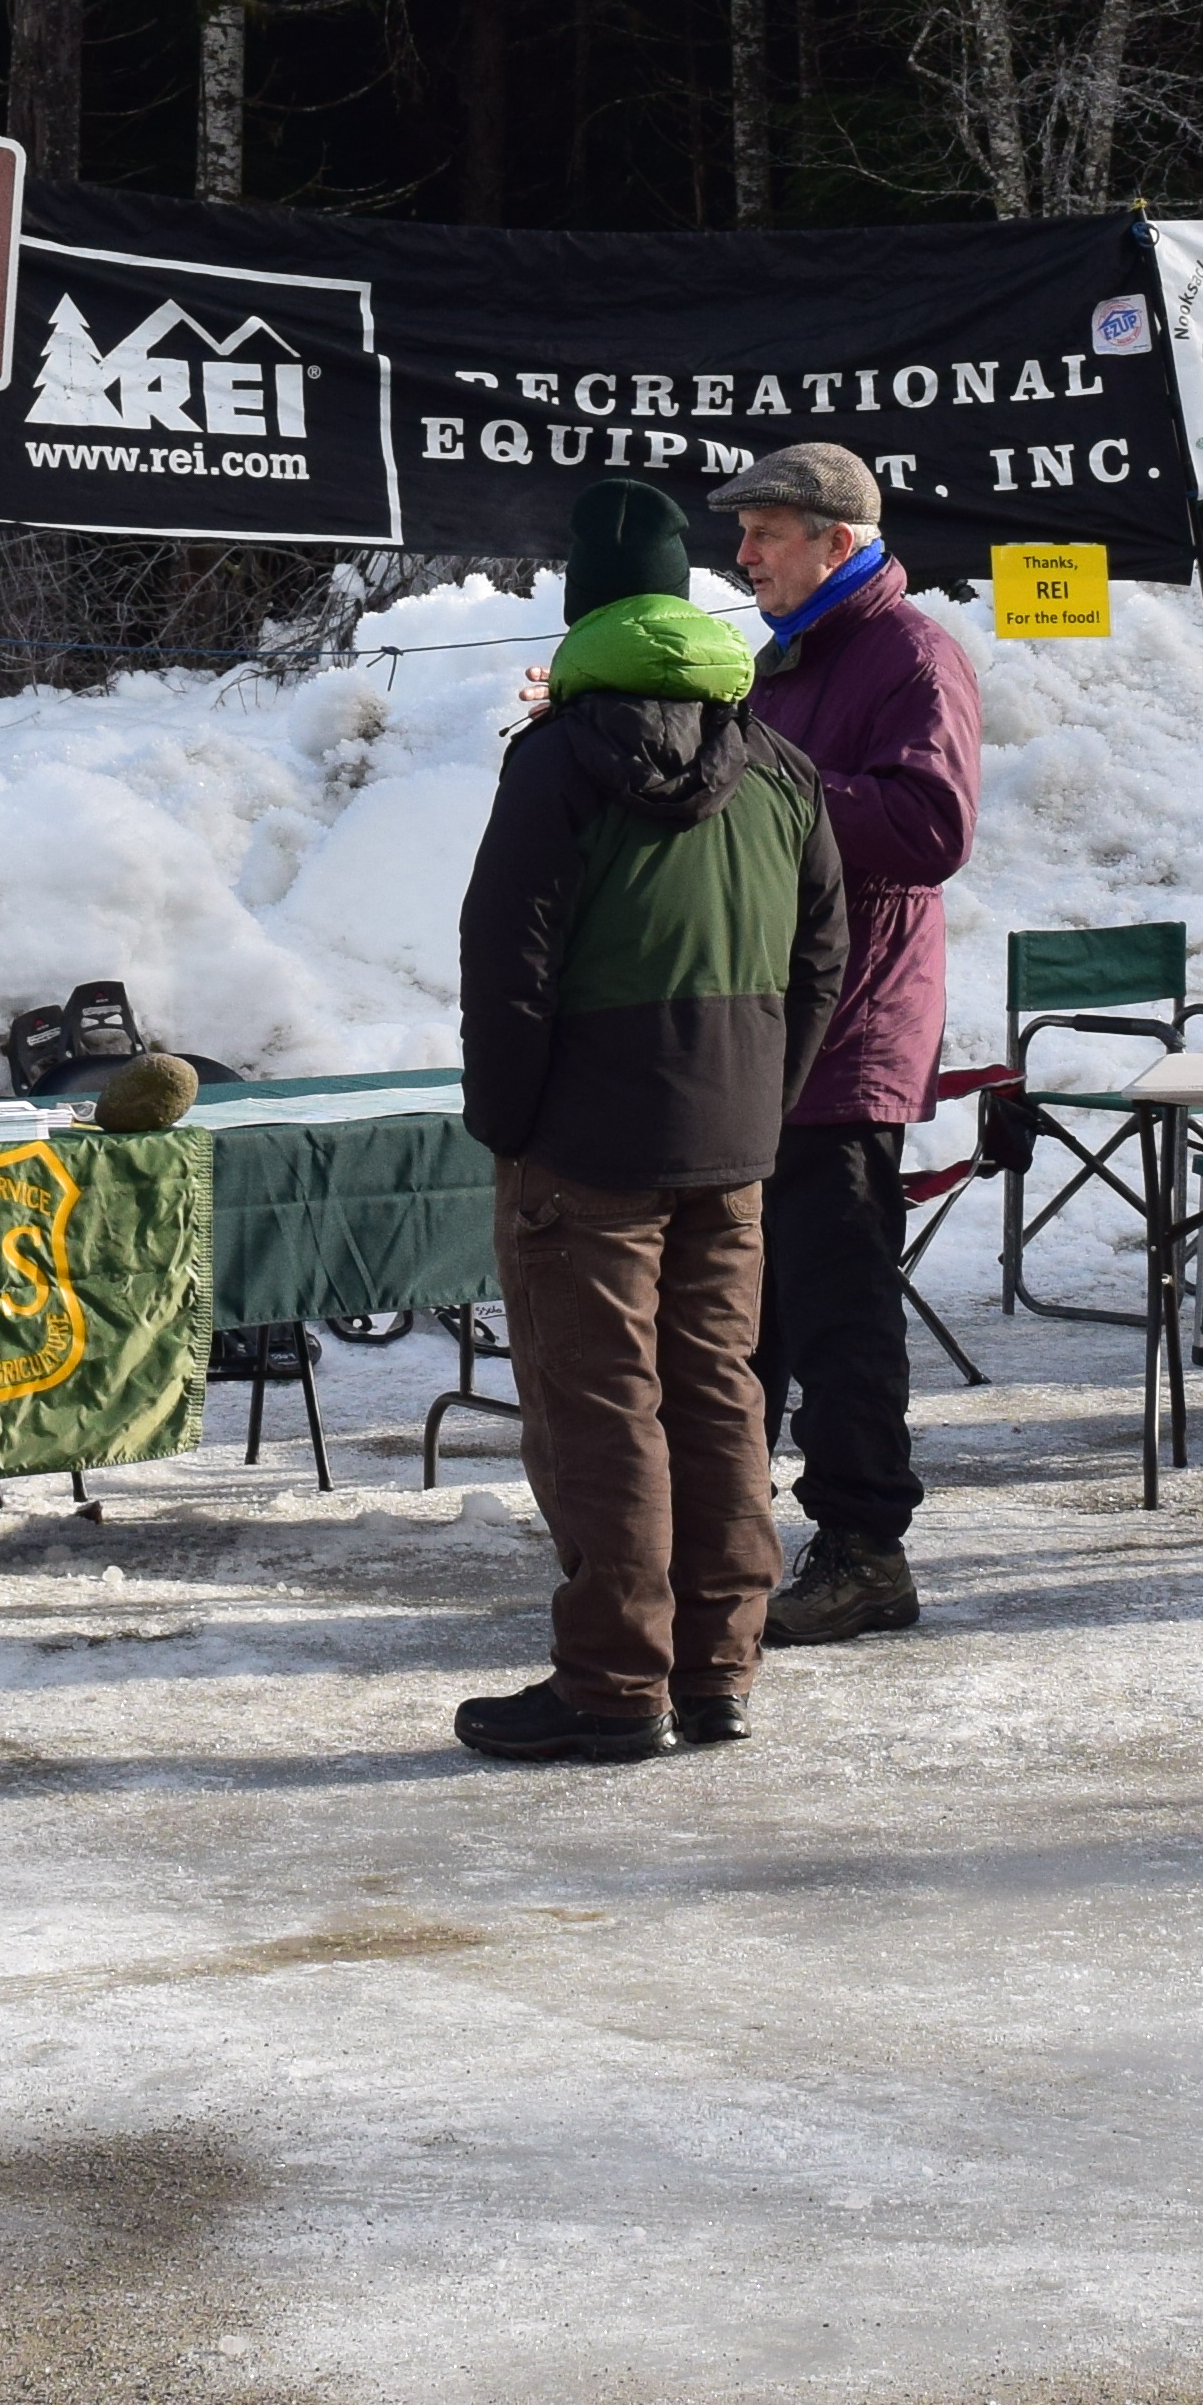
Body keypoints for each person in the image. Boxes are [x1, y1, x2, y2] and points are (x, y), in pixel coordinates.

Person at [452, 476, 851, 1763]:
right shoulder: (779, 763)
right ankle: (718, 1669)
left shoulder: (559, 759)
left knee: (600, 1408)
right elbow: (824, 961)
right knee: (720, 1397)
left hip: (584, 1144)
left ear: (580, 612)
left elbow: (503, 960)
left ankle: (616, 1684)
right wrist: (763, 1102)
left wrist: (511, 1122)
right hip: (727, 1140)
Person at [717, 440, 982, 1647]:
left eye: (765, 531)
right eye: (746, 532)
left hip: (854, 1026)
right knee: (756, 1304)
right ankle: (734, 1532)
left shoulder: (911, 651)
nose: (742, 552)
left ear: (836, 539)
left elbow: (930, 826)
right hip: (776, 1027)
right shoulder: (790, 654)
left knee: (841, 1307)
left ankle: (869, 1549)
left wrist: (763, 774)